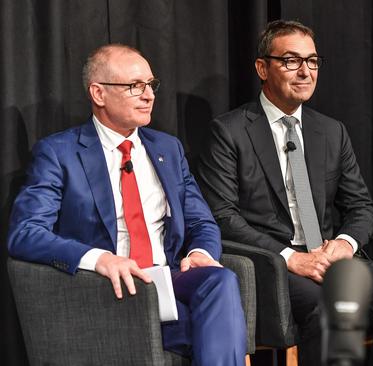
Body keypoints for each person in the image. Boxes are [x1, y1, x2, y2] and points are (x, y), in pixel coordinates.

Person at [197, 20, 373, 366]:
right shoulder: (230, 131)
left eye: (312, 62)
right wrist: (291, 257)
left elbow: (361, 206)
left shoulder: (330, 131)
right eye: (291, 61)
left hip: (329, 258)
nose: (305, 72)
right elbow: (222, 216)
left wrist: (344, 244)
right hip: (276, 265)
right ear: (262, 68)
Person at [7, 44, 247, 365]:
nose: (149, 95)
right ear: (99, 93)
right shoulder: (59, 153)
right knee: (205, 329)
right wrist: (99, 259)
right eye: (135, 86)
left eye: (151, 85)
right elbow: (25, 233)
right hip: (107, 287)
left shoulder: (168, 148)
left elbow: (201, 221)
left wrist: (200, 253)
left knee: (221, 280)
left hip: (168, 279)